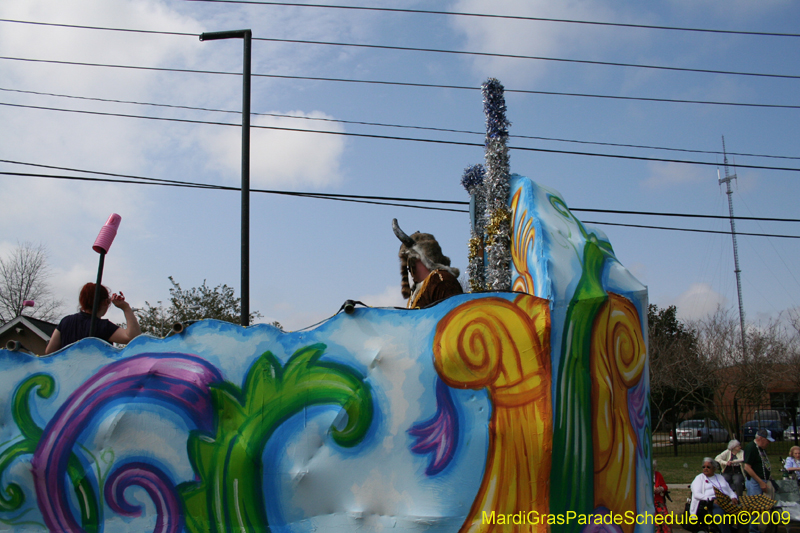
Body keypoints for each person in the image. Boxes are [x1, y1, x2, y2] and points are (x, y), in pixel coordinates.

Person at [45, 282, 141, 354]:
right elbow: (133, 338)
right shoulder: (102, 326)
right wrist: (126, 308)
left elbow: (49, 352)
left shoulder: (65, 321)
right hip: (95, 379)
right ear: (104, 302)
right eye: (108, 302)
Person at [392, 219, 462, 309]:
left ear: (421, 259)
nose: (409, 269)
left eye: (410, 262)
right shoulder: (417, 291)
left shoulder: (441, 280)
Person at [690, 458, 738, 533]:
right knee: (720, 516)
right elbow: (696, 494)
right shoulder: (699, 478)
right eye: (704, 467)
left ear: (714, 468)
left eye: (708, 467)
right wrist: (711, 499)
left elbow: (729, 490)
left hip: (725, 500)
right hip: (710, 502)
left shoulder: (720, 477)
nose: (705, 469)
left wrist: (733, 497)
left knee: (743, 511)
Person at [743, 429, 774, 533]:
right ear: (760, 438)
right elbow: (747, 467)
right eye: (767, 441)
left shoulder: (761, 448)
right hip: (755, 482)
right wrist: (760, 482)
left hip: (762, 480)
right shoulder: (752, 447)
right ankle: (753, 530)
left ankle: (750, 528)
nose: (768, 443)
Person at [653, 461, 672, 533]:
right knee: (654, 520)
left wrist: (660, 489)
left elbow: (665, 486)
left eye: (653, 467)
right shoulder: (643, 476)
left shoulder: (658, 475)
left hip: (658, 500)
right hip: (648, 502)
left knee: (665, 517)